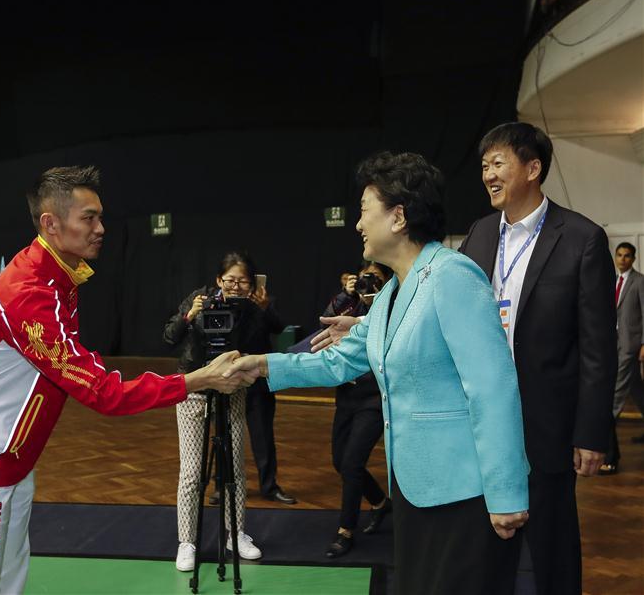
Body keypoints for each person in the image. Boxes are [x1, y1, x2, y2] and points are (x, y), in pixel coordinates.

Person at [0, 166, 247, 594]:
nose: (101, 229)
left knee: (7, 584)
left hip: (11, 463)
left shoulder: (59, 277)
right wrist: (198, 379)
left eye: (100, 217)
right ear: (51, 224)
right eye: (88, 218)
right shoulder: (30, 293)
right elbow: (104, 393)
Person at [224, 151, 530, 595]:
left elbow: (494, 388)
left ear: (399, 217)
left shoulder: (452, 276)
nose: (358, 224)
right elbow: (339, 361)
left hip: (466, 493)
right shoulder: (390, 293)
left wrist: (506, 493)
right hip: (415, 487)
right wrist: (262, 365)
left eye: (365, 211)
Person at [460, 122, 616, 595]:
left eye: (498, 162)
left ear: (533, 167)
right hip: (483, 418)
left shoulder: (582, 238)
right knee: (488, 542)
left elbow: (598, 347)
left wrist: (591, 432)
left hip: (546, 420)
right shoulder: (481, 233)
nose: (488, 173)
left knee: (551, 544)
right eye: (484, 165)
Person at [163, 252, 280, 572]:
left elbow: (273, 332)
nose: (236, 286)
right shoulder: (198, 299)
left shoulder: (251, 308)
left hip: (233, 391)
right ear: (218, 281)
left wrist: (261, 306)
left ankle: (235, 534)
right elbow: (170, 336)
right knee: (191, 471)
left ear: (252, 283)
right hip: (194, 390)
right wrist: (190, 315)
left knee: (234, 470)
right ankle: (187, 541)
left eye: (243, 281)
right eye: (230, 280)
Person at [324, 262, 393, 558]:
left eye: (375, 279)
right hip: (347, 393)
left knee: (352, 464)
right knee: (340, 461)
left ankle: (345, 530)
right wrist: (345, 296)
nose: (368, 284)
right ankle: (379, 502)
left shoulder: (392, 304)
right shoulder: (349, 304)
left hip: (374, 398)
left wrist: (377, 299)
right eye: (365, 278)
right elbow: (326, 324)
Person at [602, 242, 644, 472]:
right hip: (613, 342)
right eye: (619, 255)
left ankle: (609, 448)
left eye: (627, 256)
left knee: (616, 394)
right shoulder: (612, 280)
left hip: (630, 345)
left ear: (633, 259)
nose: (622, 259)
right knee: (638, 390)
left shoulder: (640, 281)